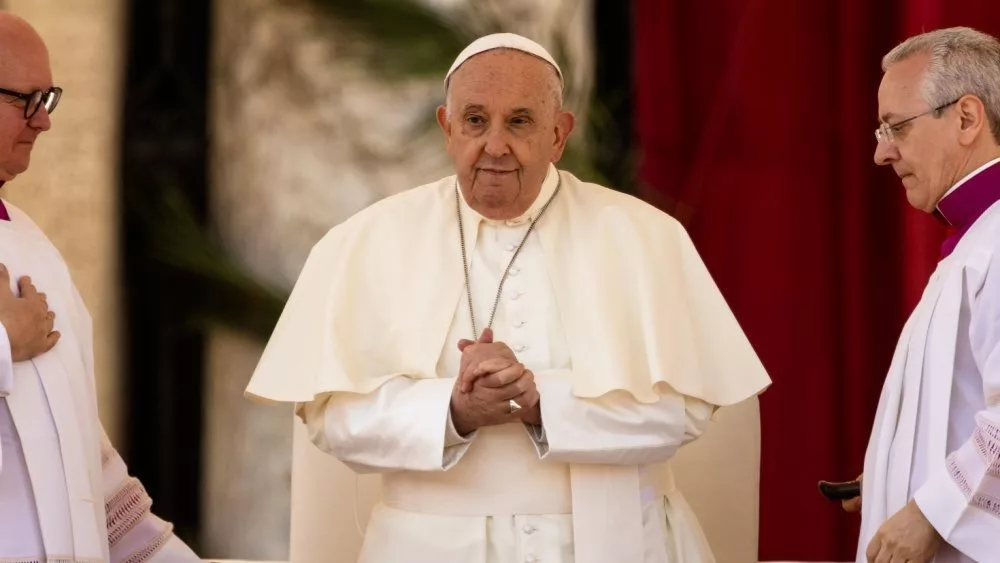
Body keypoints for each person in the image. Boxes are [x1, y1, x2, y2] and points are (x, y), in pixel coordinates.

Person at [246, 32, 771, 563]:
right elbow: (331, 420)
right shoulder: (365, 241)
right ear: (447, 129)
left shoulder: (644, 237)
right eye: (475, 120)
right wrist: (453, 410)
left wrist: (544, 403)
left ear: (560, 135)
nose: (495, 144)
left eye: (520, 121)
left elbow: (685, 413)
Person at [0, 12, 201, 563]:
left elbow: (78, 445)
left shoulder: (32, 243)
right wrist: (3, 345)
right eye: (25, 100)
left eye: (49, 99)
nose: (43, 122)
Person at [852, 26, 1000, 563]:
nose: (881, 153)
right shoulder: (974, 241)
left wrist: (930, 511)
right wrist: (900, 458)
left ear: (966, 118)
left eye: (896, 127)